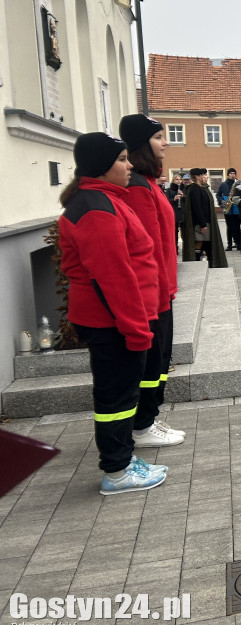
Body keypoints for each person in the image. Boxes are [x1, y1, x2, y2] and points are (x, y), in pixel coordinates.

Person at [59, 132, 166, 494]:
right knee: (116, 398)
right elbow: (114, 278)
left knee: (121, 394)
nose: (130, 165)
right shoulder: (96, 209)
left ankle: (122, 459)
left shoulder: (104, 200)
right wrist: (136, 330)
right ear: (101, 166)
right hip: (112, 323)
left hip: (114, 321)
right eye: (121, 160)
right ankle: (117, 472)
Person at [118, 114, 185, 449]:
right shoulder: (138, 189)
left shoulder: (148, 183)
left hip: (163, 290)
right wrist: (158, 293)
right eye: (159, 137)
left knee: (160, 362)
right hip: (152, 294)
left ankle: (148, 419)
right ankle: (142, 426)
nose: (166, 143)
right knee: (152, 362)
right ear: (143, 143)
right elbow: (146, 249)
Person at [183, 168, 228, 267]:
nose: (206, 177)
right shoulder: (194, 189)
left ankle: (210, 263)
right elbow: (197, 208)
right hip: (201, 222)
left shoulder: (202, 188)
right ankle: (196, 264)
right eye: (203, 175)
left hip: (206, 221)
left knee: (206, 243)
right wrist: (202, 224)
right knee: (199, 242)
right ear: (197, 177)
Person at [217, 168, 241, 251]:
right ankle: (229, 244)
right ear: (227, 175)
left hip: (236, 208)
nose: (232, 175)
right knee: (229, 227)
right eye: (231, 173)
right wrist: (222, 201)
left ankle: (238, 243)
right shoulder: (223, 184)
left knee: (237, 227)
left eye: (234, 173)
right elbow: (218, 195)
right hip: (227, 207)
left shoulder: (238, 184)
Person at [164, 172, 186, 253]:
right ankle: (175, 248)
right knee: (174, 231)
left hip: (183, 212)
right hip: (174, 212)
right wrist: (174, 199)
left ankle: (186, 248)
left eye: (180, 179)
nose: (179, 181)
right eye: (177, 179)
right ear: (173, 180)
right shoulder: (169, 190)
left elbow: (189, 200)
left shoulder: (184, 189)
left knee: (184, 231)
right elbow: (166, 201)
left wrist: (183, 196)